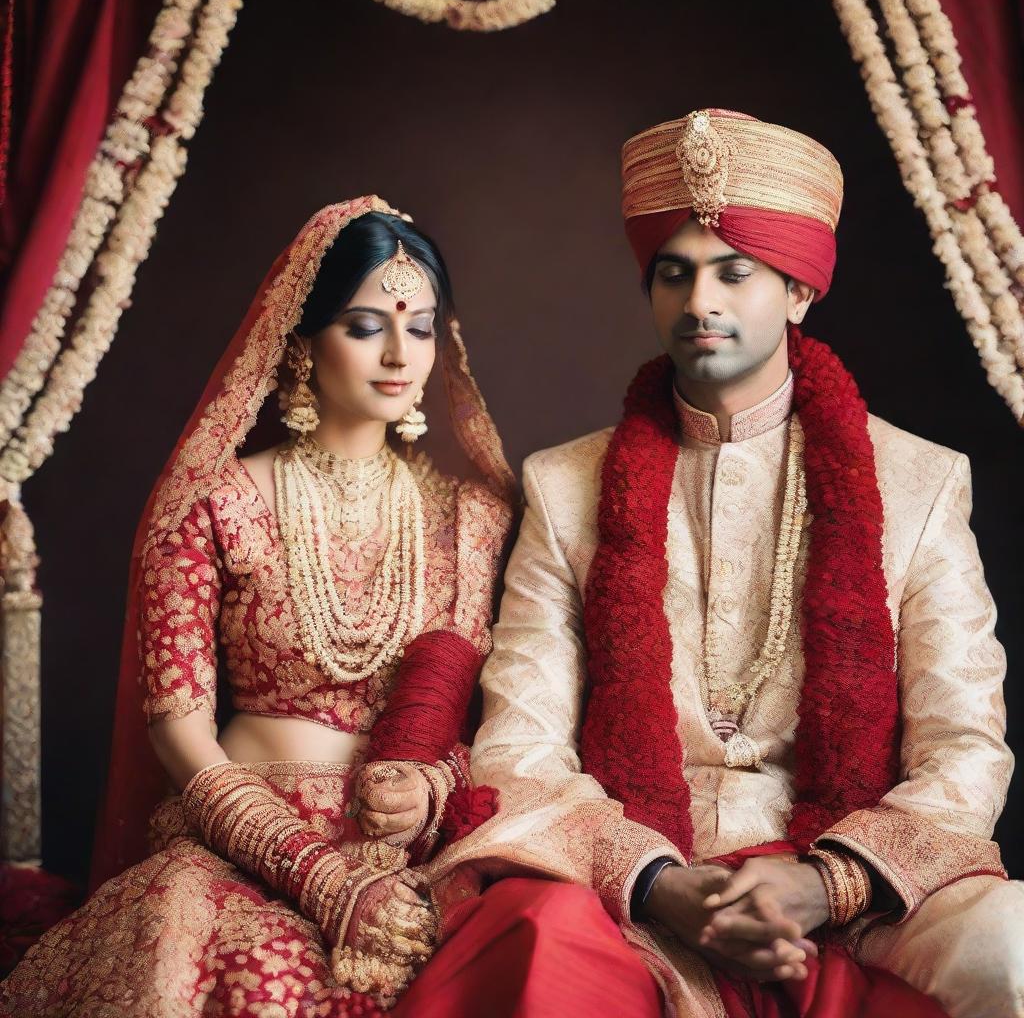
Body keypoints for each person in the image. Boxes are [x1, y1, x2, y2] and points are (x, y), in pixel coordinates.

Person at [393, 111, 1021, 1018]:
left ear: (800, 291)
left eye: (736, 273)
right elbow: (519, 743)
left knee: (1012, 948)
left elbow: (964, 750)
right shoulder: (566, 485)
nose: (700, 304)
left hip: (855, 883)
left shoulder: (919, 481)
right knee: (535, 943)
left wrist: (827, 884)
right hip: (634, 878)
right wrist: (654, 882)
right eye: (675, 274)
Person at [0, 195, 515, 1017]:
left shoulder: (472, 517)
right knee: (258, 981)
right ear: (303, 340)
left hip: (415, 850)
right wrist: (312, 868)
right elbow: (178, 729)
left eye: (419, 328)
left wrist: (429, 788)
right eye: (363, 325)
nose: (398, 354)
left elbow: (497, 717)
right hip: (240, 844)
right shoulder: (213, 502)